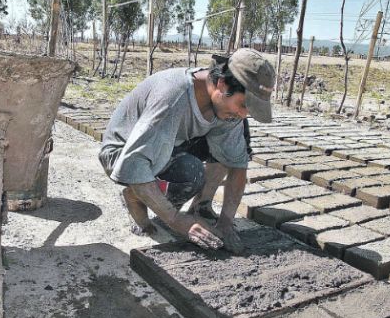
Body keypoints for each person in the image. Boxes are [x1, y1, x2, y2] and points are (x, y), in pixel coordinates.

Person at [98, 48, 276, 252]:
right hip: (123, 152)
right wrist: (176, 220)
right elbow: (133, 163)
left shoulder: (226, 106)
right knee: (191, 173)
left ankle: (201, 206)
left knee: (232, 140)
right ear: (222, 83)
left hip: (170, 141)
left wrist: (226, 221)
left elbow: (237, 163)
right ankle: (134, 197)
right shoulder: (174, 97)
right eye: (243, 104)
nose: (244, 114)